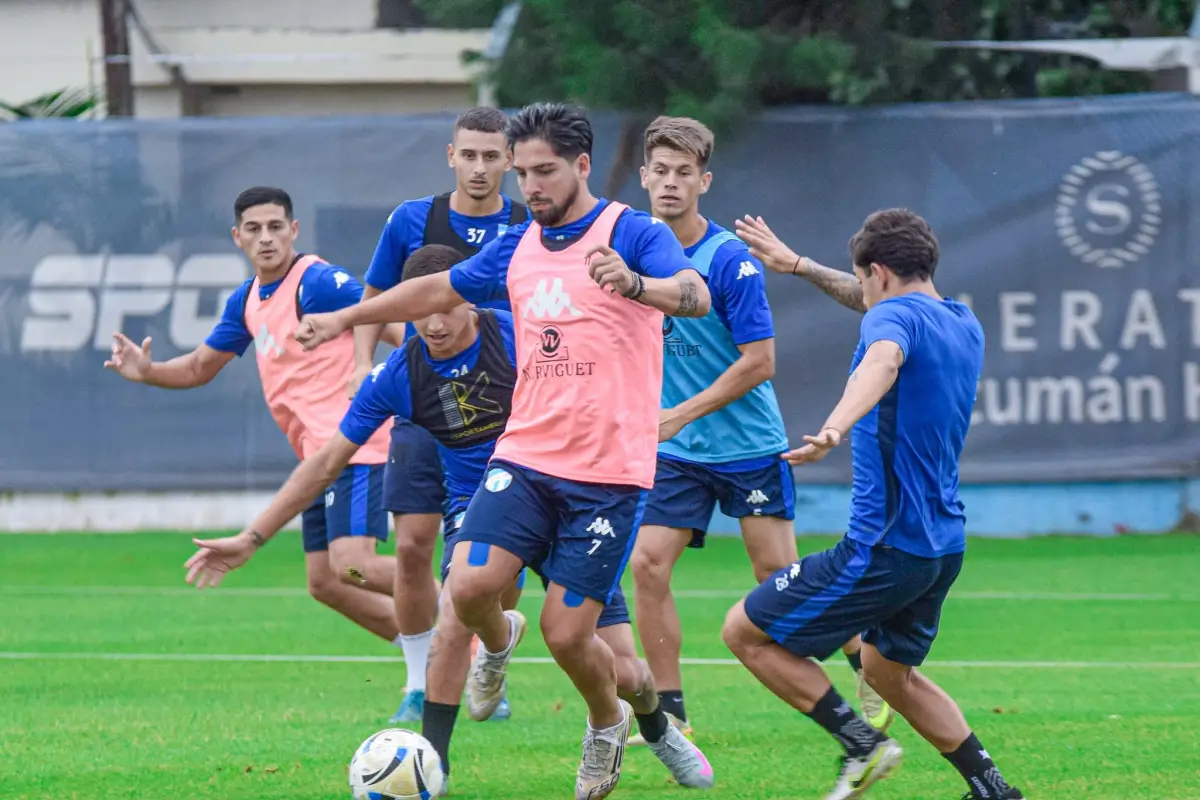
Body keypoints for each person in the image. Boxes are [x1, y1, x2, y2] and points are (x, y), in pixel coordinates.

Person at [293, 102, 712, 800]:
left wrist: (639, 285)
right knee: (470, 584)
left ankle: (624, 723)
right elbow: (434, 286)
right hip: (526, 459)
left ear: (581, 166)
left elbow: (694, 293)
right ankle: (497, 644)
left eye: (543, 172)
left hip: (609, 473)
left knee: (578, 639)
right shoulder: (518, 245)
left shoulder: (630, 232)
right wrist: (345, 316)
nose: (530, 188)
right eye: (523, 174)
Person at [185, 244, 713, 795]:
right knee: (454, 613)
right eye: (420, 312)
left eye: (446, 306)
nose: (433, 324)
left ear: (467, 298)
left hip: (566, 500)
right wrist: (253, 537)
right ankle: (432, 765)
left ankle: (655, 727)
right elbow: (325, 463)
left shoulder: (518, 334)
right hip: (483, 506)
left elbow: (600, 369)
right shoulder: (398, 375)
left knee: (625, 671)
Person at [721, 209, 1025, 800]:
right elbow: (876, 310)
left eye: (864, 278)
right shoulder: (961, 320)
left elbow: (882, 357)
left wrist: (833, 429)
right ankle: (992, 788)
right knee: (888, 673)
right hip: (941, 547)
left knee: (744, 633)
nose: (861, 290)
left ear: (879, 272)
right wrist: (801, 266)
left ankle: (863, 745)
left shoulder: (888, 323)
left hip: (883, 546)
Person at [627, 116, 894, 748]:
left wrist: (680, 411)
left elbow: (760, 363)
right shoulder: (634, 254)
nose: (669, 184)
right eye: (659, 171)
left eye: (683, 174)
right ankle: (671, 714)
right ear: (643, 177)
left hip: (746, 446)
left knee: (778, 579)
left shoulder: (728, 261)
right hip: (678, 451)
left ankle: (867, 664)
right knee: (646, 565)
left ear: (704, 181)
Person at [104, 186, 407, 666]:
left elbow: (398, 324)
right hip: (318, 458)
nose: (266, 238)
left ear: (293, 230)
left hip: (356, 445)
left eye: (275, 227)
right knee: (326, 583)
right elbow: (201, 365)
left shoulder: (318, 282)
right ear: (237, 237)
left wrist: (369, 367)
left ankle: (464, 621)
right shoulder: (249, 299)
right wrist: (149, 371)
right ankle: (440, 658)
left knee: (355, 565)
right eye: (254, 229)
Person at [351, 107, 530, 724]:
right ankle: (415, 682)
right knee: (411, 548)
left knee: (497, 562)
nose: (481, 168)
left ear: (510, 160)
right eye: (469, 155)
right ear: (450, 156)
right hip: (424, 408)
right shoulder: (412, 219)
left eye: (492, 156)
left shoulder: (526, 223)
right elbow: (374, 302)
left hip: (504, 419)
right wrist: (361, 364)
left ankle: (490, 658)